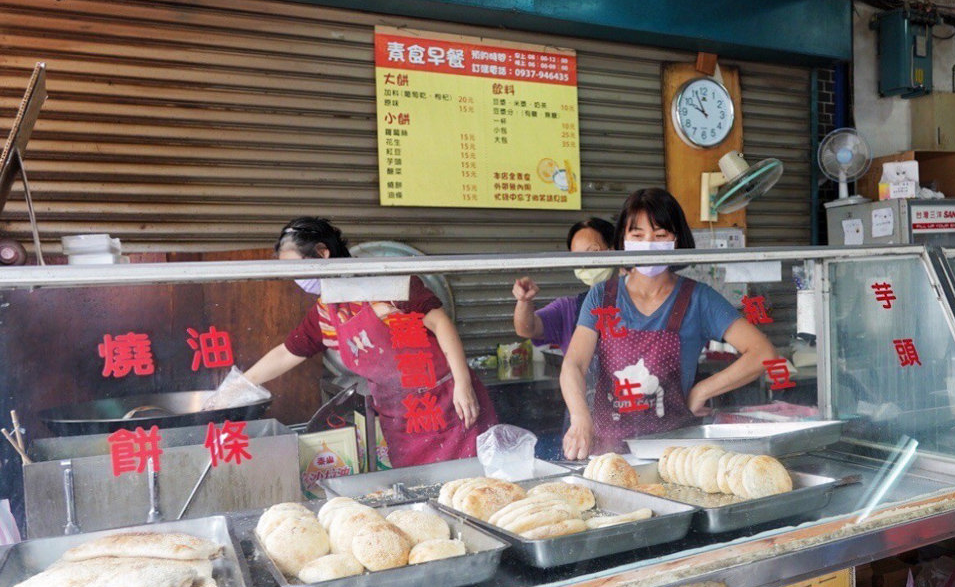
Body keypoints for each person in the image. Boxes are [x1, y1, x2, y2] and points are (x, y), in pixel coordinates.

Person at [244, 218, 497, 467]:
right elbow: (286, 354)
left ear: (322, 253)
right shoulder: (326, 310)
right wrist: (239, 386)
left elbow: (440, 323)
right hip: (402, 419)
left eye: (295, 268)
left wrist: (463, 384)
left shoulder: (387, 283)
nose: (294, 278)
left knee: (472, 490)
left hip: (449, 403)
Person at [559, 189, 777, 459]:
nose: (649, 243)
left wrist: (702, 390)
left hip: (674, 453)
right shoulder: (602, 296)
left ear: (677, 240)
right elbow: (574, 364)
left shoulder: (698, 298)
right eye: (637, 235)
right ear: (623, 240)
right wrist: (581, 419)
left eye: (660, 235)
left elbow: (763, 353)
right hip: (608, 453)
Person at [511, 217, 617, 349]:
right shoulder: (568, 309)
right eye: (577, 257)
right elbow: (526, 329)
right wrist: (524, 301)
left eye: (593, 252)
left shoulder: (638, 305)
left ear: (615, 250)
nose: (585, 263)